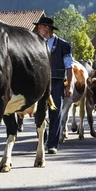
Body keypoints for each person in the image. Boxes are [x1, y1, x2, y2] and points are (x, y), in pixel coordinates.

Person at [34, 16, 74, 155]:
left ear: (47, 28)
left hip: (56, 82)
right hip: (40, 82)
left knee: (55, 114)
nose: (38, 30)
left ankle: (52, 144)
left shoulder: (64, 45)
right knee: (39, 112)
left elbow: (69, 67)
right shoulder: (36, 43)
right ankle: (41, 139)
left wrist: (69, 85)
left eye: (40, 27)